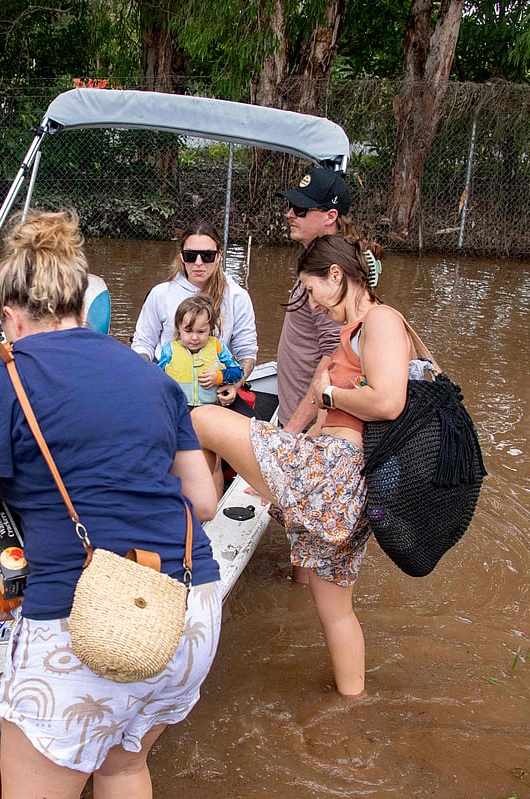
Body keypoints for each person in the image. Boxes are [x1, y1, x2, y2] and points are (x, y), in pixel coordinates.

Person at [0, 209, 222, 799]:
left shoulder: (7, 369)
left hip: (82, 618)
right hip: (186, 609)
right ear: (79, 303)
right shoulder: (153, 377)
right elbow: (203, 501)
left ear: (11, 315)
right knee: (123, 768)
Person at [189, 233, 407, 698]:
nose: (310, 302)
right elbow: (337, 413)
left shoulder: (381, 319)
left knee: (202, 418)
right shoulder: (353, 332)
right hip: (342, 485)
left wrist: (328, 393)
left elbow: (387, 401)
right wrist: (272, 468)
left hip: (333, 473)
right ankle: (354, 703)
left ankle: (194, 524)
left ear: (336, 276)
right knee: (336, 612)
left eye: (311, 290)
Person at [131, 219, 257, 406]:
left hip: (218, 396)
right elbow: (143, 343)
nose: (198, 263)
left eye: (207, 256)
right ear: (182, 256)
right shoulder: (161, 293)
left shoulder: (237, 296)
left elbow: (247, 352)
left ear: (218, 256)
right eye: (191, 255)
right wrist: (149, 378)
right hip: (169, 395)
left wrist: (236, 386)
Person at [158, 295, 244, 408]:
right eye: (188, 331)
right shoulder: (170, 350)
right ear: (178, 328)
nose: (194, 338)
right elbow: (156, 376)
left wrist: (220, 377)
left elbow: (238, 372)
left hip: (211, 408)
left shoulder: (218, 347)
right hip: (178, 408)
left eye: (201, 331)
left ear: (210, 328)